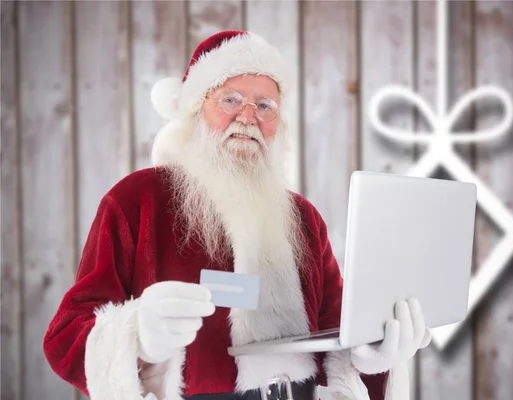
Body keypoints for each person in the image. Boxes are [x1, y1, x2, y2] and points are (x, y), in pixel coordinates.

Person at [42, 30, 432, 400]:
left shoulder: (303, 219)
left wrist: (372, 356)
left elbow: (339, 334)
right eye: (230, 99)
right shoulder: (135, 200)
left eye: (265, 106)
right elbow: (65, 337)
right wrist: (136, 337)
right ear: (196, 110)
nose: (248, 118)